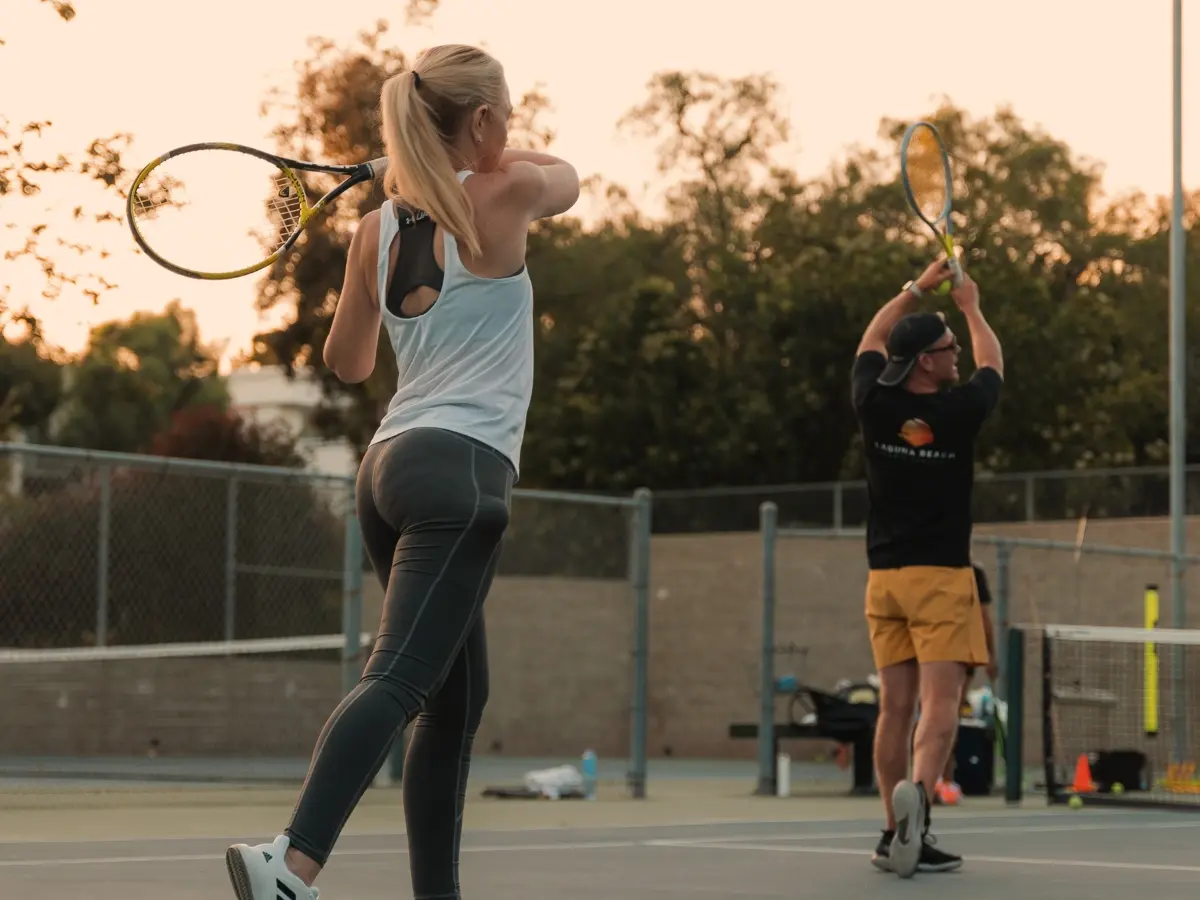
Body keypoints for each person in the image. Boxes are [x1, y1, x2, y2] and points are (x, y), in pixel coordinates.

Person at [224, 44, 580, 900]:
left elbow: (346, 363)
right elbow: (568, 174)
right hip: (460, 477)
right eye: (508, 115)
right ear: (486, 122)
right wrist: (442, 167)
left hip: (388, 471)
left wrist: (410, 180)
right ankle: (291, 863)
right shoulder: (510, 193)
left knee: (454, 703)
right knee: (397, 681)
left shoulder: (375, 230)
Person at [849, 257, 1003, 879]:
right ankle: (920, 807)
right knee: (943, 704)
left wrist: (914, 287)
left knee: (894, 707)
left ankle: (892, 832)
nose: (956, 355)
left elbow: (871, 338)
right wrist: (968, 305)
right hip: (940, 578)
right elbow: (993, 363)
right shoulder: (958, 413)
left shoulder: (873, 402)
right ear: (927, 365)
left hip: (883, 581)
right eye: (946, 348)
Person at [934, 561, 998, 806]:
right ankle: (940, 781)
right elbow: (983, 617)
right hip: (950, 653)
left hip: (950, 654)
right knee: (947, 718)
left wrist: (989, 655)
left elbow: (983, 617)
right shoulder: (967, 571)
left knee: (935, 716)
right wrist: (991, 656)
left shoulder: (969, 572)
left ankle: (938, 780)